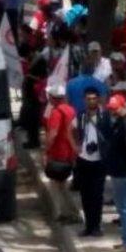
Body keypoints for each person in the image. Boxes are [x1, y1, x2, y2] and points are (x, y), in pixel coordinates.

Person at [75, 88, 111, 238]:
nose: (91, 101)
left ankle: (96, 225)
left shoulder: (104, 115)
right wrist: (76, 147)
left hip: (99, 160)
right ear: (84, 100)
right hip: (84, 159)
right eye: (88, 99)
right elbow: (72, 130)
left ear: (98, 99)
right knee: (85, 195)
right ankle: (88, 226)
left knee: (97, 195)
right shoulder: (81, 116)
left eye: (94, 98)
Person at [42, 85, 80, 224]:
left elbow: (53, 134)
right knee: (62, 185)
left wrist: (46, 151)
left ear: (52, 98)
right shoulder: (71, 110)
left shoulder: (56, 113)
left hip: (58, 154)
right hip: (69, 153)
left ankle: (67, 213)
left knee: (58, 186)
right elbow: (74, 130)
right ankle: (69, 213)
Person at [104, 95, 126, 252]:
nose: (113, 111)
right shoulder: (121, 122)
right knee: (125, 206)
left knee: (125, 207)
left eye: (115, 108)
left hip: (123, 172)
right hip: (120, 170)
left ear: (123, 106)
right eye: (111, 109)